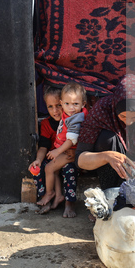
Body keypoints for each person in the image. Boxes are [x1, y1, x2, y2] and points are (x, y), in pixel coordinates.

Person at [75, 74, 135, 190]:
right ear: (115, 106)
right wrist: (106, 156)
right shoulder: (102, 109)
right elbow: (80, 160)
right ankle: (111, 190)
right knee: (107, 138)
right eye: (123, 116)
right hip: (109, 162)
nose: (128, 122)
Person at [35, 82, 88, 217]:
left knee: (61, 168)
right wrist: (38, 160)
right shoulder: (52, 122)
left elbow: (72, 139)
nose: (55, 110)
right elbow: (43, 146)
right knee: (47, 168)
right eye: (50, 107)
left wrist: (58, 152)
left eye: (58, 106)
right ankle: (57, 196)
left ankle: (67, 202)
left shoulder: (74, 117)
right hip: (60, 153)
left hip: (70, 153)